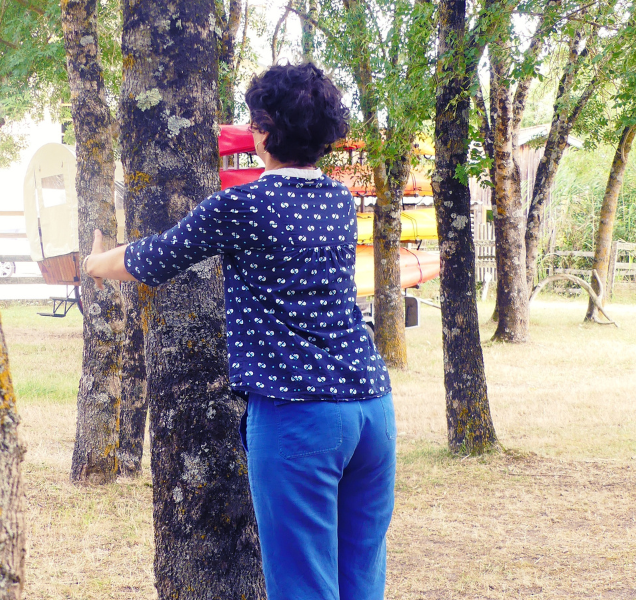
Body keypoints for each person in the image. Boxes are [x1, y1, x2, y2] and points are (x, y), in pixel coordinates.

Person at [82, 62, 396, 600]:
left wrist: (93, 264)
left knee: (305, 588)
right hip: (372, 411)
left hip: (299, 417)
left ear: (266, 131)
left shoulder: (245, 205)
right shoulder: (340, 202)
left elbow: (156, 257)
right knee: (361, 582)